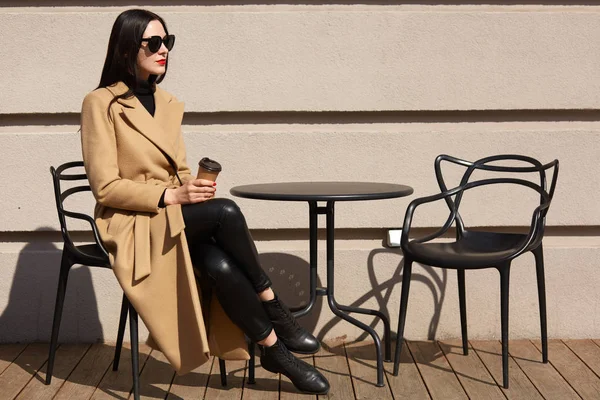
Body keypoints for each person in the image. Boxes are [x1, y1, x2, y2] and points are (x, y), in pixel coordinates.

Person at [80, 9, 329, 395]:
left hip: (172, 214)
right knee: (226, 212)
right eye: (154, 43)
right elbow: (105, 188)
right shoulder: (101, 103)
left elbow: (177, 168)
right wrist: (170, 195)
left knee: (220, 264)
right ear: (128, 47)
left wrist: (191, 187)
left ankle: (275, 351)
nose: (165, 50)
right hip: (131, 221)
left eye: (169, 42)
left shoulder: (167, 102)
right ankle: (275, 308)